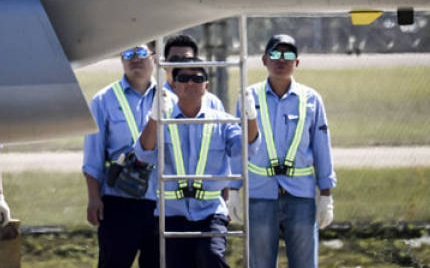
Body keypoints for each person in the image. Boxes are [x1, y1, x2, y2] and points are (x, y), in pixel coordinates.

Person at [135, 60, 260, 268]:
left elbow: (248, 149)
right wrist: (154, 117)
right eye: (183, 78)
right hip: (171, 213)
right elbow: (143, 154)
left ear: (206, 86)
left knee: (211, 257)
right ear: (173, 85)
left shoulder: (223, 122)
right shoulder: (162, 120)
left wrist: (251, 116)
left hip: (210, 212)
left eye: (198, 78)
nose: (191, 83)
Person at [237, 33, 336, 268]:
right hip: (260, 194)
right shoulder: (249, 97)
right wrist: (233, 190)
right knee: (260, 263)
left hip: (300, 196)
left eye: (289, 54)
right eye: (275, 54)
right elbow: (238, 146)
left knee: (304, 263)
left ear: (297, 62)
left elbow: (322, 146)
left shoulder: (311, 99)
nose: (282, 60)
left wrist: (326, 195)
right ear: (264, 59)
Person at [83, 43, 158, 268]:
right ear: (120, 59)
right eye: (128, 53)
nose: (135, 58)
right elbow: (92, 157)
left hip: (161, 202)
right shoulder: (103, 100)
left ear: (155, 57)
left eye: (142, 52)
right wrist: (94, 198)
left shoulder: (169, 98)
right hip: (119, 201)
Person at [163, 34, 225, 111]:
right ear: (164, 64)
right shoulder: (155, 100)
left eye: (186, 60)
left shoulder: (212, 103)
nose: (179, 65)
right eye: (174, 59)